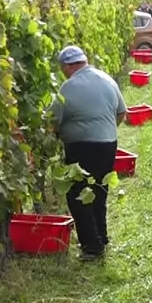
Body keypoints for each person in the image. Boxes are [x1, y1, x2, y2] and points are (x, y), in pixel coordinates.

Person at [49, 45, 127, 261]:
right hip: (109, 143)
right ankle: (101, 236)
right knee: (99, 191)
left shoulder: (68, 87)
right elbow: (122, 112)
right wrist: (105, 131)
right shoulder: (107, 79)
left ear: (67, 66)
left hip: (81, 147)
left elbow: (52, 122)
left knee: (77, 195)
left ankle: (92, 247)